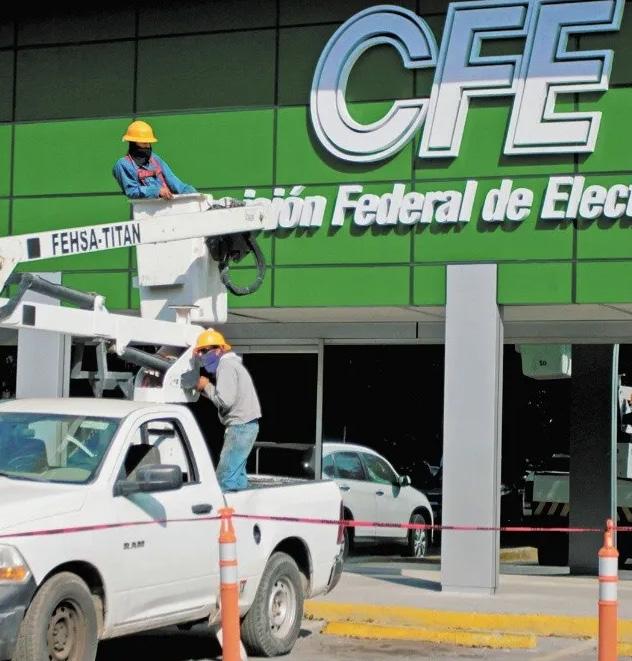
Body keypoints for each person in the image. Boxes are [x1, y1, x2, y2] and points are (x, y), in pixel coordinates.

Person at [194, 329, 261, 491]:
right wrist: (205, 390)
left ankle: (225, 508)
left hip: (240, 427)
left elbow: (225, 401)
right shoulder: (232, 365)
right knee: (237, 479)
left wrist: (206, 386)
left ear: (219, 350)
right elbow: (228, 397)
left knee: (224, 479)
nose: (202, 355)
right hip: (246, 426)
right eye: (200, 352)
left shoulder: (225, 366)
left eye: (204, 351)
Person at [112, 120, 197, 200]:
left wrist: (191, 192)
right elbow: (132, 191)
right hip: (145, 209)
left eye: (149, 143)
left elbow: (174, 181)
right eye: (144, 143)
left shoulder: (154, 159)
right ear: (133, 143)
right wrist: (156, 191)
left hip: (167, 206)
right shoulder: (123, 165)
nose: (148, 146)